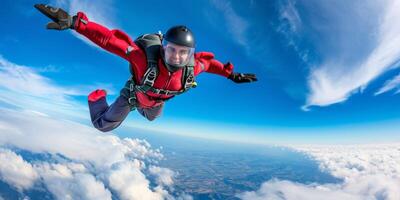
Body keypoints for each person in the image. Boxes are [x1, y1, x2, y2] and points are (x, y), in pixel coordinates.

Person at [34, 4, 258, 132]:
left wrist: (231, 75)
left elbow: (209, 64)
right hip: (134, 95)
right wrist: (76, 23)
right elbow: (111, 41)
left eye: (184, 52)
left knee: (152, 117)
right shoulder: (143, 59)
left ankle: (143, 108)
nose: (177, 56)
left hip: (154, 102)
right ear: (163, 47)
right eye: (171, 49)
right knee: (103, 125)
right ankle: (97, 98)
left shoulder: (192, 68)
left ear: (190, 53)